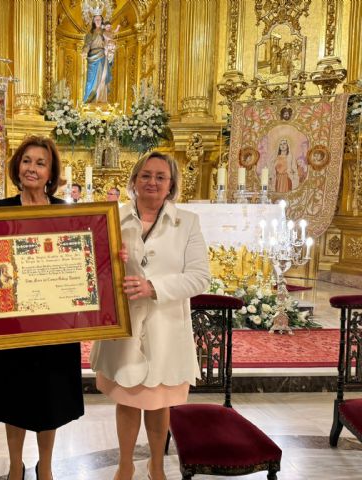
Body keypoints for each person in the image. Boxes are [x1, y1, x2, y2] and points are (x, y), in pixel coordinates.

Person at [90, 151, 210, 480]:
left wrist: (153, 286)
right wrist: (111, 261)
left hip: (165, 326)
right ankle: (125, 464)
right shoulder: (112, 216)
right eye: (145, 175)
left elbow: (200, 277)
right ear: (134, 181)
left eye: (160, 177)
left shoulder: (187, 222)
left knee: (159, 402)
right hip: (124, 324)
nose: (152, 182)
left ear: (171, 185)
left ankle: (155, 464)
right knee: (127, 398)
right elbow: (92, 269)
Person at [0, 136, 84, 480]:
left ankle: (46, 465)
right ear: (17, 166)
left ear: (51, 172)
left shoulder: (68, 212)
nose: (32, 168)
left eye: (41, 163)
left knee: (50, 399)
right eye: (27, 160)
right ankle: (15, 466)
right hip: (11, 324)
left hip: (55, 324)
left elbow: (81, 263)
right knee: (13, 397)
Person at [82, 15, 113, 104]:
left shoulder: (105, 32)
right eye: (96, 19)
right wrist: (84, 52)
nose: (98, 21)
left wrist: (110, 50)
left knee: (102, 79)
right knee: (90, 80)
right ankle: (89, 100)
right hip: (92, 57)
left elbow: (110, 42)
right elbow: (87, 45)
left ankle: (101, 100)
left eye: (100, 19)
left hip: (103, 56)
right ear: (93, 21)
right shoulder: (90, 33)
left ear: (102, 20)